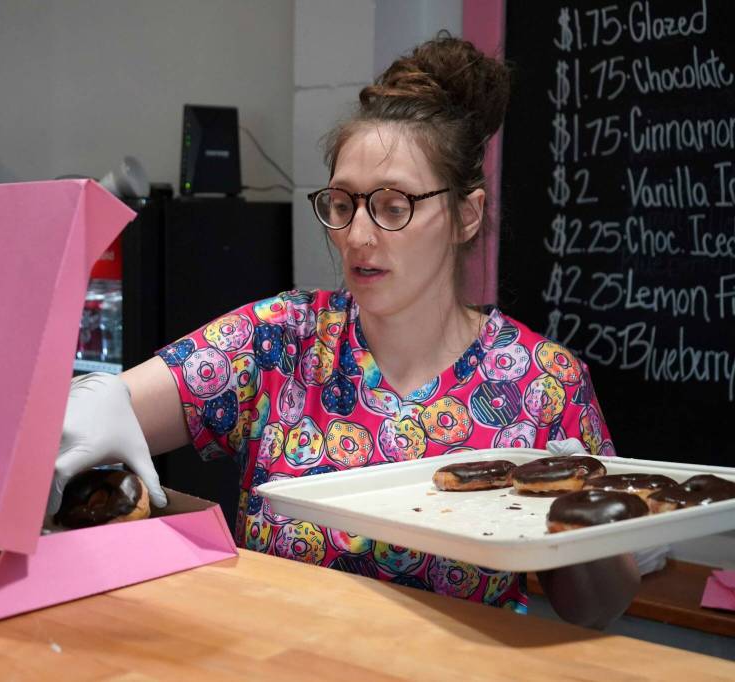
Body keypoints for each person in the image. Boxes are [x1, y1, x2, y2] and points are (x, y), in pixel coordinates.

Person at [49, 32, 640, 629]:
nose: (357, 235)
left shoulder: (543, 383)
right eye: (342, 204)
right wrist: (91, 404)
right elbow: (104, 409)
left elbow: (595, 607)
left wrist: (582, 517)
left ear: (466, 214)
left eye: (392, 207)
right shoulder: (281, 339)